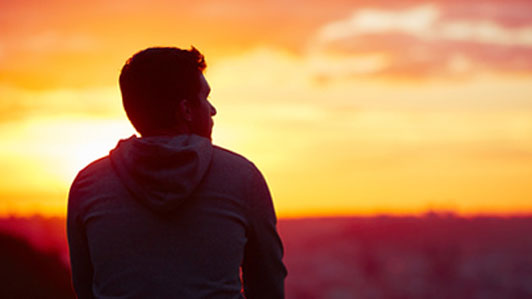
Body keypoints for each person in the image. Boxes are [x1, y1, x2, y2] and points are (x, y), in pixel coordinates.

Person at [67, 47, 287, 299]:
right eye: (205, 97)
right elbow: (267, 287)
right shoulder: (243, 178)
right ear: (186, 110)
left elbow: (85, 287)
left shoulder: (88, 185)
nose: (212, 109)